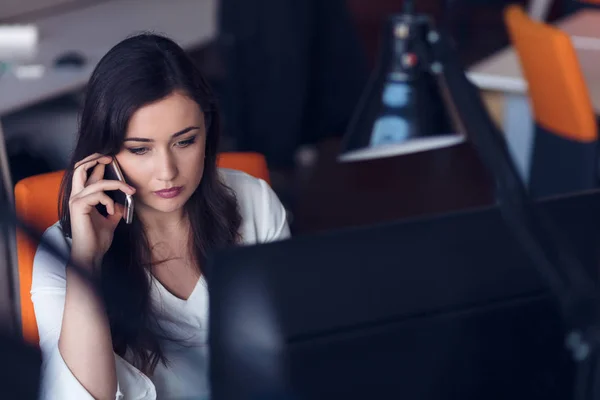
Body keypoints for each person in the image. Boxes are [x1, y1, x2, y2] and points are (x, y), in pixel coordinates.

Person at [30, 33, 290, 400]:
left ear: (208, 131)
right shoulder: (64, 251)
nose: (167, 172)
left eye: (185, 142)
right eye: (140, 149)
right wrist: (87, 259)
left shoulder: (253, 200)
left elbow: (292, 346)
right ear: (104, 152)